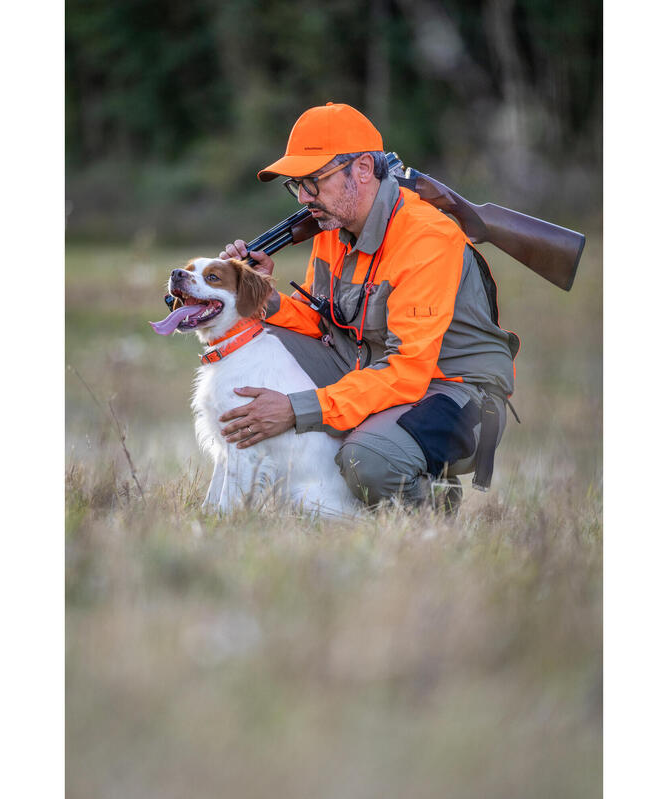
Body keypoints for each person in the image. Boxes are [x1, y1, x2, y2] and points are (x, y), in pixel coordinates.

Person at [218, 102, 518, 511]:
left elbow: (408, 372)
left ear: (361, 169)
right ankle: (310, 484)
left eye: (312, 181)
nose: (304, 197)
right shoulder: (332, 225)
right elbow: (319, 321)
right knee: (262, 339)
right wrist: (261, 296)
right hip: (373, 366)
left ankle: (428, 509)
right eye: (296, 185)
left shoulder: (427, 239)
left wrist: (297, 409)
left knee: (369, 461)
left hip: (456, 394)